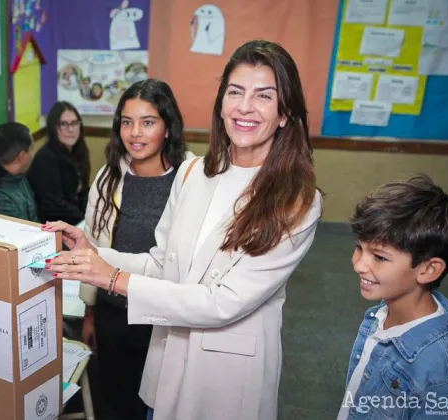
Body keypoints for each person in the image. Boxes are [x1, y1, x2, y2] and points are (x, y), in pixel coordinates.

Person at [43, 40, 322, 420]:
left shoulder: (295, 200)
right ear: (221, 102)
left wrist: (113, 279)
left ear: (285, 112)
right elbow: (163, 265)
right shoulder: (194, 173)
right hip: (171, 353)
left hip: (227, 370)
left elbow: (222, 302)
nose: (244, 106)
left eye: (264, 96)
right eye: (235, 92)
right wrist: (94, 254)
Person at [78, 78, 191, 420]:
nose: (135, 133)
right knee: (114, 399)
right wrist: (90, 311)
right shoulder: (108, 177)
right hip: (115, 309)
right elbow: (93, 245)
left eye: (148, 122)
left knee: (162, 402)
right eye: (127, 122)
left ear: (168, 128)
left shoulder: (190, 178)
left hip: (164, 314)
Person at [337, 174, 448, 419]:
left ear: (428, 270)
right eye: (359, 247)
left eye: (379, 257)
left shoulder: (443, 376)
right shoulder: (381, 316)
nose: (359, 265)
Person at [28, 101, 90, 225]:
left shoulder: (79, 151)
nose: (70, 129)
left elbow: (83, 192)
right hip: (53, 226)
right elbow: (54, 207)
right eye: (63, 124)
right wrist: (85, 221)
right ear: (53, 127)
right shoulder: (45, 159)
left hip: (76, 220)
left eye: (74, 123)